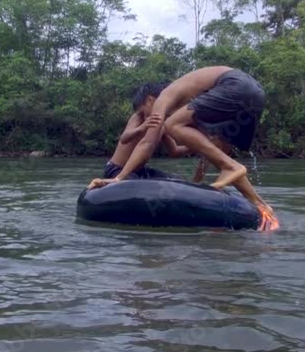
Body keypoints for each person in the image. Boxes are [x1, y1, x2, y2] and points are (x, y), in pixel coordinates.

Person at [87, 66, 280, 232]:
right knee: (217, 152)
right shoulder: (193, 103)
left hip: (235, 84)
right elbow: (207, 152)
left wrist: (118, 179)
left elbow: (147, 143)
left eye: (142, 111)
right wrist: (197, 185)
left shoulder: (163, 99)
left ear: (150, 100)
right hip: (256, 93)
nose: (145, 115)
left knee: (173, 125)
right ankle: (261, 205)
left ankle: (233, 168)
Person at [100, 82, 191, 180]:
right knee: (132, 182)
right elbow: (124, 138)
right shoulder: (137, 118)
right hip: (116, 168)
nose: (144, 116)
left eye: (144, 112)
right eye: (142, 113)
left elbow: (174, 151)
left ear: (150, 100)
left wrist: (196, 147)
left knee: (176, 180)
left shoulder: (162, 125)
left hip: (140, 171)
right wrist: (141, 128)